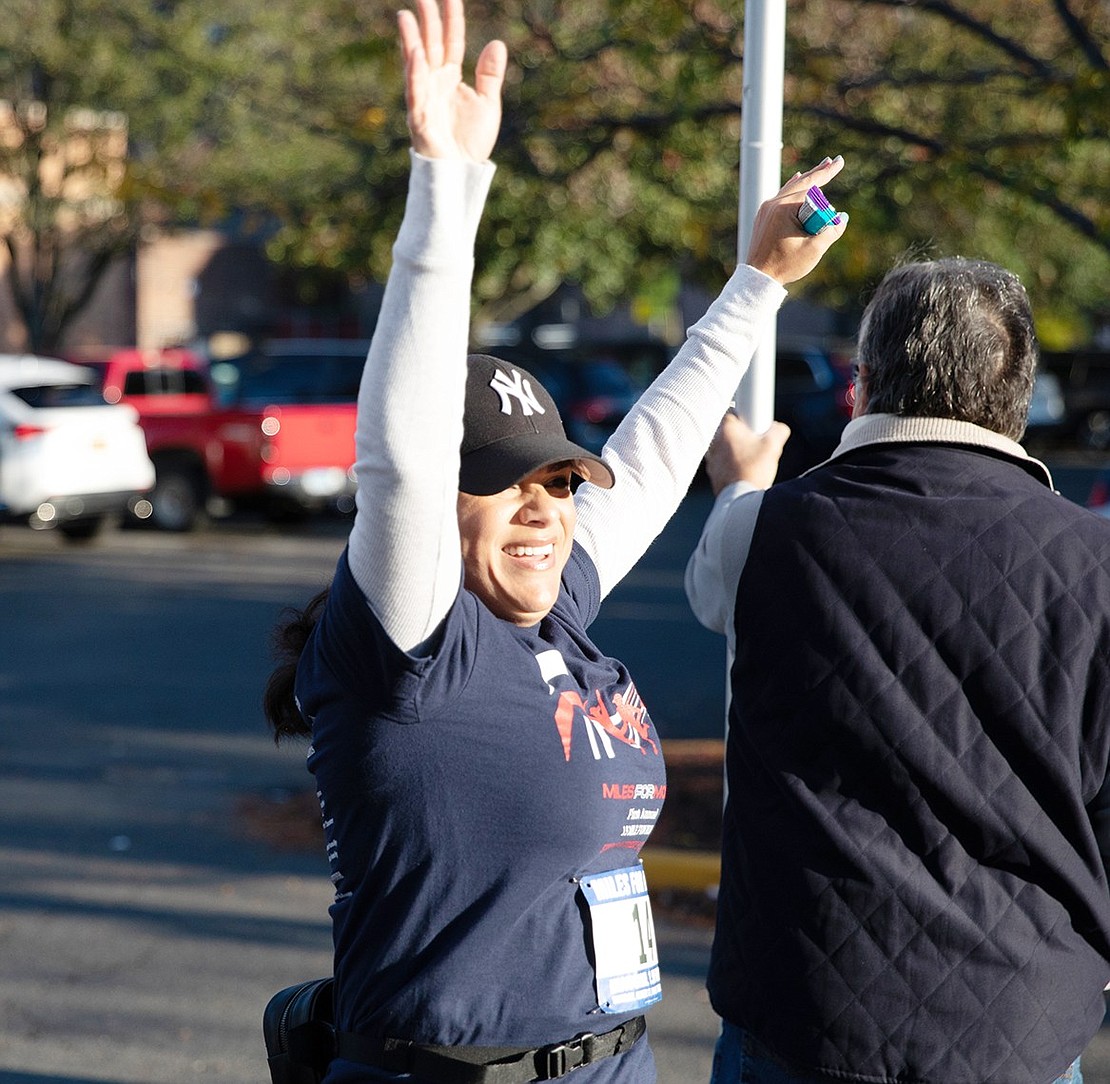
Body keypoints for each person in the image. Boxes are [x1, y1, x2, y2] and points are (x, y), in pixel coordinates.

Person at [262, 0, 846, 1079]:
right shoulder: (415, 649)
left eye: (557, 481)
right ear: (441, 508)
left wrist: (759, 282)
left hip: (613, 1061)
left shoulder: (556, 613)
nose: (544, 507)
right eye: (503, 483)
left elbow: (654, 455)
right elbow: (398, 457)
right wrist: (445, 189)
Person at [685, 256, 1110, 1084]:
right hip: (1023, 1026)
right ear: (1018, 398)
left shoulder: (762, 533)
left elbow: (711, 589)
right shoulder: (1097, 561)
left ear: (861, 385)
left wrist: (742, 486)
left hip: (804, 1014)